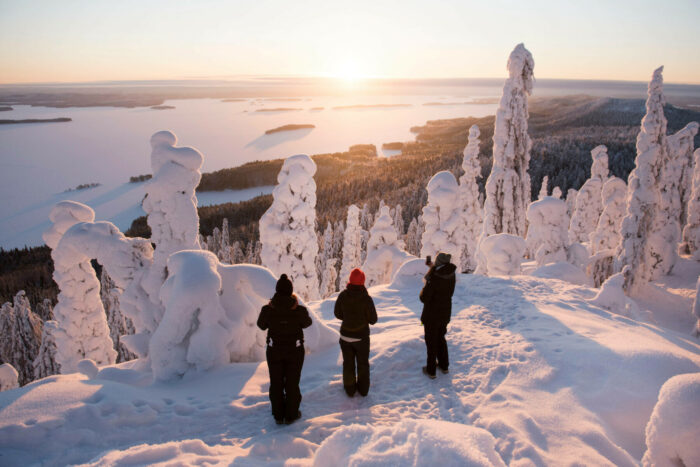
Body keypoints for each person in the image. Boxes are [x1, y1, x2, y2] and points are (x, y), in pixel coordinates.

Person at [257, 274, 312, 425]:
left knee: (276, 382)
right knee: (292, 382)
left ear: (277, 291)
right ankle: (291, 414)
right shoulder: (298, 309)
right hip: (295, 350)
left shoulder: (268, 309)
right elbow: (308, 323)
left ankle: (278, 414)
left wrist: (269, 309)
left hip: (274, 350)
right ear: (290, 291)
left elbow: (261, 325)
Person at [334, 268, 378, 397]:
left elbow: (337, 313)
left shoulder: (343, 295)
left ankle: (350, 390)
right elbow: (373, 320)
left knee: (348, 363)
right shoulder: (366, 298)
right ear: (362, 281)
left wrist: (347, 318)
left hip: (345, 336)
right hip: (361, 338)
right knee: (363, 363)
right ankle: (363, 390)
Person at [419, 252, 456, 379]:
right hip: (445, 313)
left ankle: (431, 370)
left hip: (431, 315)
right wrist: (433, 268)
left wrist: (427, 284)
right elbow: (441, 274)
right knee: (441, 338)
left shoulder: (434, 278)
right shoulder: (451, 274)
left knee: (431, 341)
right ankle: (444, 366)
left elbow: (424, 298)